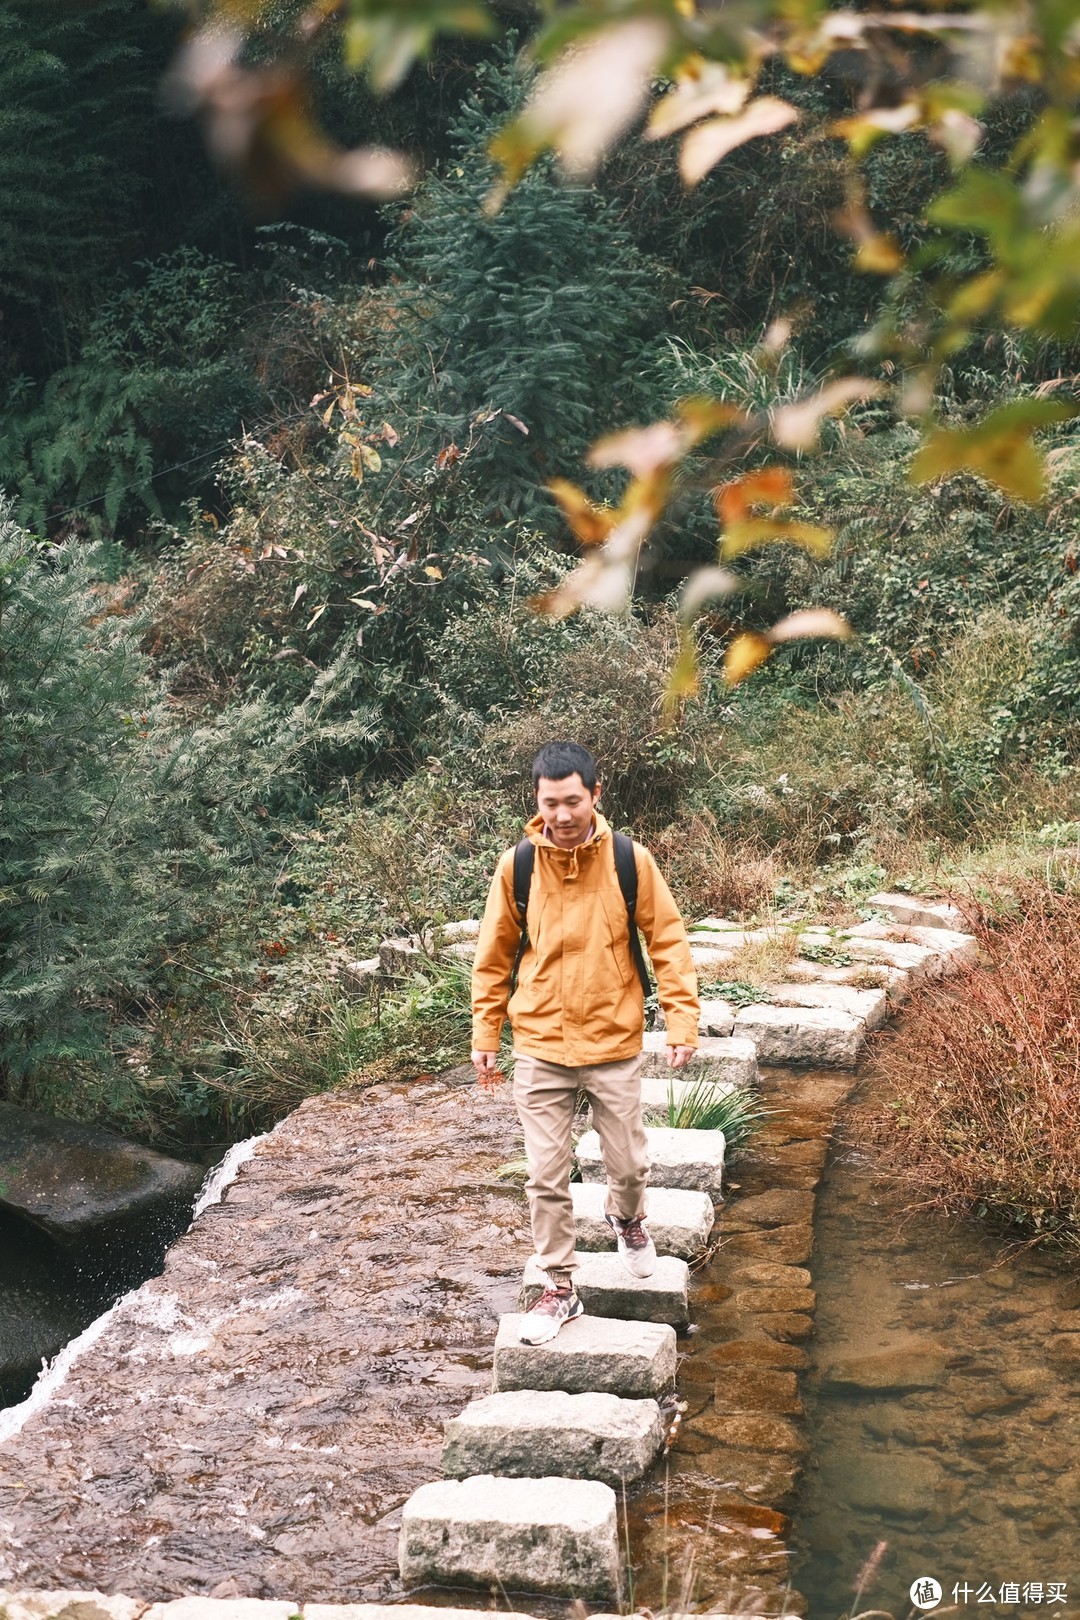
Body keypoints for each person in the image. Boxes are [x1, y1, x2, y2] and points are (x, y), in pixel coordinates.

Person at [470, 740, 700, 1344]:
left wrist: (682, 1020)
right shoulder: (518, 865)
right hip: (541, 1043)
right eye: (551, 804)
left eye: (573, 801)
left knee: (628, 1164)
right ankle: (559, 1288)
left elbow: (667, 942)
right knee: (546, 1174)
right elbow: (493, 957)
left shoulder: (630, 860)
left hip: (612, 1041)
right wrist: (485, 1031)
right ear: (538, 802)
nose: (563, 815)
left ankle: (626, 1219)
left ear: (595, 795)